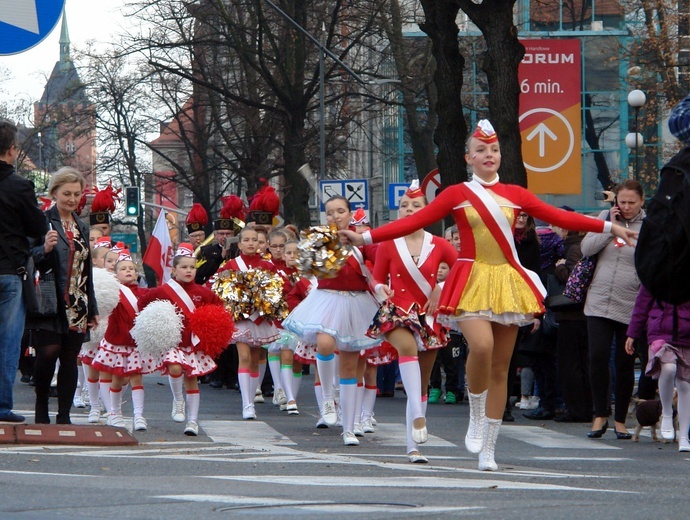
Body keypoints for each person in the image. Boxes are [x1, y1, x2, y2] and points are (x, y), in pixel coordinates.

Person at [340, 120, 637, 470]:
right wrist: (366, 238)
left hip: (506, 280)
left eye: (494, 150)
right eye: (481, 150)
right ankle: (476, 414)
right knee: (481, 346)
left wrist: (610, 225)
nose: (489, 155)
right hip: (471, 277)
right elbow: (413, 222)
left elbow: (555, 214)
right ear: (468, 157)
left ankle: (489, 450)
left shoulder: (516, 193)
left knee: (501, 366)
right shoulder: (456, 194)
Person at [367, 182, 458, 462]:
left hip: (428, 316)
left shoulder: (439, 244)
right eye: (404, 206)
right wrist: (382, 290)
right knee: (407, 349)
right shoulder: (388, 245)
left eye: (415, 206)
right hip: (396, 311)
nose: (408, 210)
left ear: (427, 211)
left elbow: (462, 268)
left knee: (422, 381)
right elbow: (377, 279)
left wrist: (441, 289)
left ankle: (413, 446)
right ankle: (418, 416)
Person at [283, 196, 381, 446]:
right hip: (327, 300)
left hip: (358, 304)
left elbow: (379, 265)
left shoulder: (364, 242)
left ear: (350, 214)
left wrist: (360, 247)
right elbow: (308, 267)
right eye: (329, 213)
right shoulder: (320, 239)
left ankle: (349, 428)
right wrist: (326, 247)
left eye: (340, 211)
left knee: (351, 366)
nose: (335, 216)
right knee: (325, 343)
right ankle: (327, 397)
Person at [29, 167, 99, 424]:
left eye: (77, 194)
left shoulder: (82, 225)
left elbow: (86, 269)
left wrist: (92, 307)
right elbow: (27, 257)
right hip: (49, 299)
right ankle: (40, 406)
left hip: (78, 302)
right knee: (48, 354)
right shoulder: (42, 221)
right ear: (54, 192)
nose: (72, 199)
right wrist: (43, 249)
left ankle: (64, 415)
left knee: (70, 359)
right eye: (67, 193)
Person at [581, 180, 645, 440]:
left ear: (641, 202)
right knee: (596, 356)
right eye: (622, 202)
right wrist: (611, 227)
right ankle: (599, 414)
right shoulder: (606, 218)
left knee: (624, 361)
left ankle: (620, 420)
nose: (626, 207)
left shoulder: (648, 226)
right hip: (598, 300)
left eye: (632, 202)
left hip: (631, 303)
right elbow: (586, 249)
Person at [137, 243, 223, 435]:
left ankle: (192, 421)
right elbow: (142, 303)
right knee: (175, 367)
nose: (188, 271)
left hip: (193, 344)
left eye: (192, 267)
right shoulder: (163, 291)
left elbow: (219, 309)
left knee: (192, 380)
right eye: (183, 267)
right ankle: (178, 400)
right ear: (174, 270)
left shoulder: (203, 293)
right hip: (172, 342)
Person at [0, 120, 47, 423]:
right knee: (6, 344)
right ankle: (1, 407)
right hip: (9, 273)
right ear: (12, 150)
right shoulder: (19, 185)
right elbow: (38, 227)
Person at [214, 227, 281, 419]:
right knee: (244, 356)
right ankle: (247, 404)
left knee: (254, 358)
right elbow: (218, 289)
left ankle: (252, 397)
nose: (251, 243)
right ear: (240, 243)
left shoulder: (267, 266)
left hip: (259, 319)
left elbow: (276, 293)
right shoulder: (231, 265)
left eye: (255, 240)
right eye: (247, 240)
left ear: (262, 243)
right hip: (240, 320)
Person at [91, 250, 155, 431]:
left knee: (136, 378)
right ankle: (114, 412)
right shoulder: (113, 292)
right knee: (117, 378)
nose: (128, 271)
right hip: (116, 341)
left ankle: (139, 415)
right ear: (115, 274)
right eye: (123, 269)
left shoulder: (143, 292)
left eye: (131, 269)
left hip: (135, 344)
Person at [626, 285, 690, 451]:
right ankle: (667, 412)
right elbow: (642, 303)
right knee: (668, 369)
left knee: (685, 385)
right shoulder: (656, 270)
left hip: (686, 332)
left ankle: (684, 436)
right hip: (661, 330)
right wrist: (633, 333)